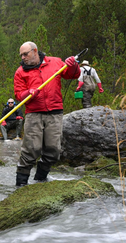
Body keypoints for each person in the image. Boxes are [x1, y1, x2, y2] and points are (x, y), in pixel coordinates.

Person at [14, 41, 80, 187]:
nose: (23, 57)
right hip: (34, 113)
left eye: (26, 54)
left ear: (35, 51)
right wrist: (28, 93)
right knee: (31, 149)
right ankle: (20, 184)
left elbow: (72, 75)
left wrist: (73, 65)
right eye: (21, 55)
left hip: (55, 113)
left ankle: (40, 179)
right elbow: (18, 94)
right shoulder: (20, 71)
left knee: (54, 150)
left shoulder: (55, 62)